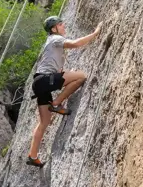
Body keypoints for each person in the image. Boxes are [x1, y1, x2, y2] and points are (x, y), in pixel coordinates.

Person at [26, 16, 102, 167]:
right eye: (60, 24)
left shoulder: (51, 42)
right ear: (54, 29)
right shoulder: (55, 39)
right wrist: (96, 33)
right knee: (81, 76)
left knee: (44, 122)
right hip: (45, 79)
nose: (63, 26)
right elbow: (75, 44)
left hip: (39, 82)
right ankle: (56, 103)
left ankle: (32, 156)